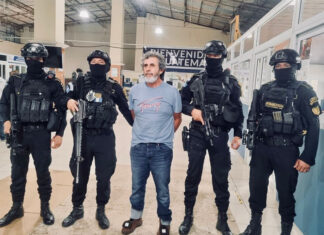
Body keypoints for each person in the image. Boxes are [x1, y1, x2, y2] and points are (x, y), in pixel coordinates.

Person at [240, 49, 321, 235]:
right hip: (262, 148)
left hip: (287, 150)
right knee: (256, 187)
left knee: (285, 194)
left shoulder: (304, 91)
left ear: (295, 67)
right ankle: (255, 225)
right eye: (278, 66)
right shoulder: (265, 90)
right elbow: (256, 117)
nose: (281, 68)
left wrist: (307, 157)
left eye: (286, 65)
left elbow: (314, 126)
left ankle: (285, 231)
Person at [0, 43, 70, 226]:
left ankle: (45, 207)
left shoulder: (52, 83)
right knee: (17, 174)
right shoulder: (16, 81)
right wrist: (5, 121)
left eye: (38, 59)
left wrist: (59, 134)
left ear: (43, 60)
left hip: (41, 134)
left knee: (43, 173)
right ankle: (17, 207)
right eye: (30, 58)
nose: (34, 62)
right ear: (25, 59)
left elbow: (62, 109)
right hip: (19, 133)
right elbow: (4, 104)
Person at [62, 50, 133, 230]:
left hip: (105, 138)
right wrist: (68, 101)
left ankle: (100, 210)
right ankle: (77, 209)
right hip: (83, 137)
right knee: (79, 175)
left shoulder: (114, 87)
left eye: (100, 62)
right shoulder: (79, 82)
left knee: (104, 177)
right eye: (93, 61)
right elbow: (64, 97)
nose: (96, 64)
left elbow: (126, 110)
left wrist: (139, 128)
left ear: (107, 66)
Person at [179, 40, 244, 235]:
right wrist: (192, 111)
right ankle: (188, 215)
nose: (213, 59)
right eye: (210, 56)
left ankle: (222, 219)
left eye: (217, 56)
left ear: (223, 58)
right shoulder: (196, 79)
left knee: (221, 178)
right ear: (205, 56)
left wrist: (238, 135)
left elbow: (237, 110)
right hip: (198, 134)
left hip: (220, 135)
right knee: (192, 176)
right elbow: (181, 101)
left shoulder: (231, 82)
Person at [121, 51, 182, 235]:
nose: (148, 69)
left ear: (161, 69)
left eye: (152, 65)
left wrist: (165, 137)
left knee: (162, 189)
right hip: (138, 147)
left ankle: (164, 221)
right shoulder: (135, 91)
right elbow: (134, 116)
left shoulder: (172, 92)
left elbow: (177, 118)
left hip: (161, 150)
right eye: (145, 65)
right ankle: (135, 217)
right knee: (137, 187)